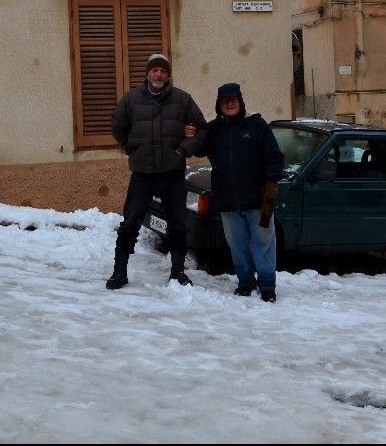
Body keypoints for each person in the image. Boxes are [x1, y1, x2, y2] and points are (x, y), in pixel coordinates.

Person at [107, 53, 207, 290]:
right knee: (130, 221)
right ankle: (119, 272)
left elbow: (202, 129)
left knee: (177, 224)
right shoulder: (131, 99)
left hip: (172, 172)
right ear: (148, 73)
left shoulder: (182, 99)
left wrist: (184, 149)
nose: (159, 74)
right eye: (155, 70)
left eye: (163, 71)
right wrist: (131, 147)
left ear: (168, 74)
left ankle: (178, 272)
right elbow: (117, 126)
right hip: (142, 172)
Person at [196, 83, 284, 302]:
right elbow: (197, 149)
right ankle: (245, 282)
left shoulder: (256, 125)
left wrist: (271, 181)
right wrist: (190, 132)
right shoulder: (213, 130)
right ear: (219, 105)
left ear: (240, 102)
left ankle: (267, 286)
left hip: (258, 200)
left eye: (233, 99)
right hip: (228, 201)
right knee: (237, 246)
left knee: (264, 243)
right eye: (225, 101)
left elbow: (274, 155)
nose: (229, 103)